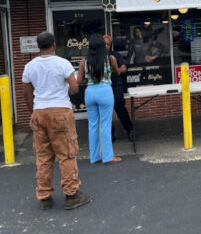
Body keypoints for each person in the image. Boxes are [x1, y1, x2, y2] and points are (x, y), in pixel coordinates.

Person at [22, 31, 91, 210]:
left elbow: (27, 94)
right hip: (60, 111)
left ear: (38, 47)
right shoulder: (62, 63)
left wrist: (33, 112)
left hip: (39, 111)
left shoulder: (29, 66)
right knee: (66, 154)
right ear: (53, 45)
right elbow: (74, 89)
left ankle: (44, 196)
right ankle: (71, 194)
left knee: (43, 156)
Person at [78, 34, 122, 164]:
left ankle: (94, 156)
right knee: (105, 125)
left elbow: (79, 80)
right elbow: (118, 72)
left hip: (90, 92)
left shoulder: (84, 61)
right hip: (105, 92)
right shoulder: (111, 59)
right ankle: (108, 157)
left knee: (92, 125)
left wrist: (89, 80)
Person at [105, 36, 132, 142]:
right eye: (103, 44)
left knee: (120, 108)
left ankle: (130, 130)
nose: (105, 46)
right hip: (103, 87)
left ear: (110, 45)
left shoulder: (115, 55)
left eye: (107, 44)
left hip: (116, 85)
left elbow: (124, 67)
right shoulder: (97, 57)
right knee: (106, 111)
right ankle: (110, 133)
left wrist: (117, 70)